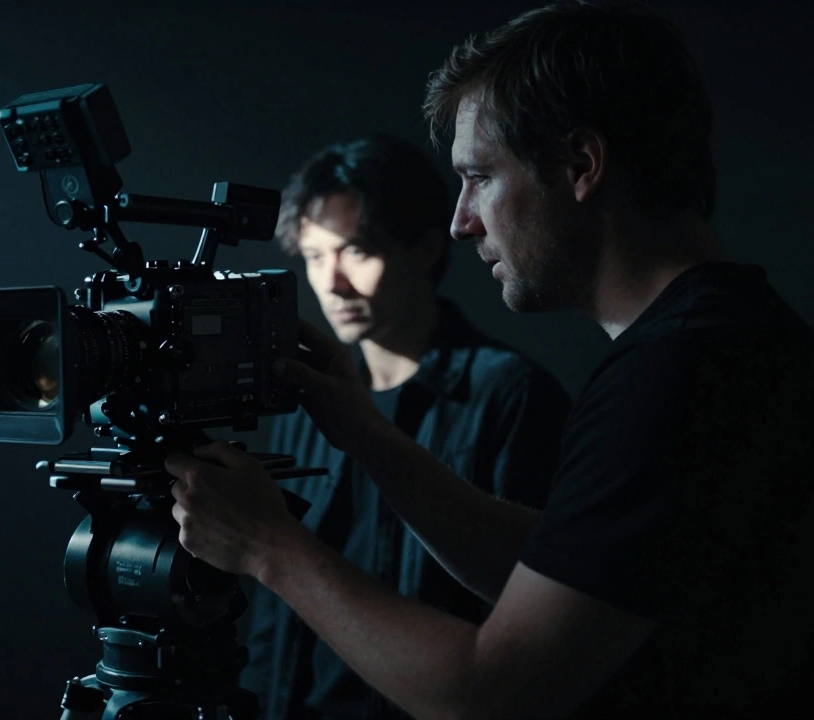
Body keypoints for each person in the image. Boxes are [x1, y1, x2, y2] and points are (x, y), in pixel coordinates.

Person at [165, 1, 814, 717]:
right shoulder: (720, 343)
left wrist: (266, 547)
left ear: (579, 164)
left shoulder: (678, 376)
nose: (460, 220)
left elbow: (493, 696)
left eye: (480, 177)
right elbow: (566, 571)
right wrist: (363, 432)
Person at [241, 135, 572, 719]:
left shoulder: (507, 394)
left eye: (356, 252)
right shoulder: (303, 400)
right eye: (315, 257)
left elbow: (535, 615)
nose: (333, 283)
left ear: (421, 250)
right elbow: (277, 616)